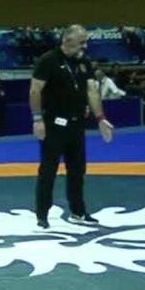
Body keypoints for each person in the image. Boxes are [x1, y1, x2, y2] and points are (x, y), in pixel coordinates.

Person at [30, 24, 115, 229]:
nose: (85, 46)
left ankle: (78, 211)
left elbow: (92, 91)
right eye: (81, 42)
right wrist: (37, 119)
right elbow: (35, 90)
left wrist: (100, 118)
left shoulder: (84, 62)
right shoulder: (48, 60)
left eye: (86, 42)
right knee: (48, 170)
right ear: (68, 41)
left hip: (76, 125)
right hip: (53, 125)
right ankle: (42, 214)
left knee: (77, 171)